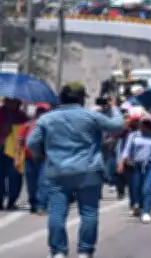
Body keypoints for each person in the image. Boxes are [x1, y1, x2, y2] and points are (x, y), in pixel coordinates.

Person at [26, 82, 125, 258]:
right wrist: (114, 108)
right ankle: (85, 251)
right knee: (89, 212)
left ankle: (58, 252)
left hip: (57, 171)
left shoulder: (46, 119)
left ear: (61, 98)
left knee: (57, 212)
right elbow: (117, 125)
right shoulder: (91, 116)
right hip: (88, 171)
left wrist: (40, 154)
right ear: (80, 98)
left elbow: (31, 142)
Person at [15, 104, 50, 214]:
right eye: (40, 111)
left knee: (43, 182)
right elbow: (19, 142)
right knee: (31, 184)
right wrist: (17, 157)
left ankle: (41, 205)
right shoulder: (27, 125)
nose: (41, 113)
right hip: (29, 159)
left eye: (44, 111)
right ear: (36, 112)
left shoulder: (51, 126)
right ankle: (33, 203)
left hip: (45, 159)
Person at [0, 97, 28, 210]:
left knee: (15, 177)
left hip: (16, 152)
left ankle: (12, 201)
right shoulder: (1, 113)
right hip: (2, 149)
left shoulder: (22, 116)